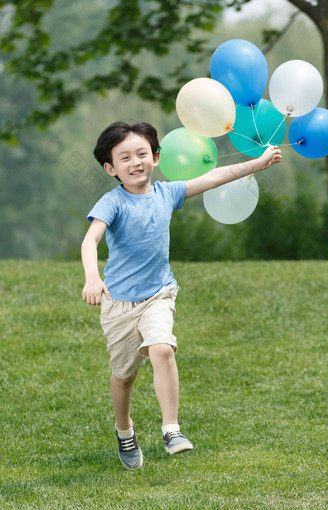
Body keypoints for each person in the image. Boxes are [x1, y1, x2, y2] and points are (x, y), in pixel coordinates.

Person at [81, 121, 282, 470]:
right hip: (118, 303)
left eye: (142, 153)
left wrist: (258, 163)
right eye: (125, 157)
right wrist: (92, 278)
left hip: (158, 294)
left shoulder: (167, 193)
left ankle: (171, 429)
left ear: (156, 157)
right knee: (124, 375)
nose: (136, 162)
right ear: (110, 168)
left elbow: (216, 176)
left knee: (162, 348)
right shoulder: (112, 202)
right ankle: (124, 429)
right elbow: (90, 241)